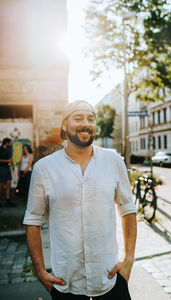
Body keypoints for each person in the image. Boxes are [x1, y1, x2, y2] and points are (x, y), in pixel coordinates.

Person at [23, 100, 137, 300]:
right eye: (78, 118)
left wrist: (128, 260)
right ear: (65, 125)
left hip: (110, 280)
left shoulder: (114, 161)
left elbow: (128, 210)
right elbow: (33, 221)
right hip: (66, 284)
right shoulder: (44, 169)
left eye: (90, 119)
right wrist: (41, 272)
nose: (86, 123)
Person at [0, 137, 14, 206]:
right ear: (6, 143)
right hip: (2, 168)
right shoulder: (0, 149)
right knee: (1, 185)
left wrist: (11, 162)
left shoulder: (8, 149)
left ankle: (8, 201)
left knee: (8, 184)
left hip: (7, 168)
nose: (11, 144)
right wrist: (7, 161)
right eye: (10, 143)